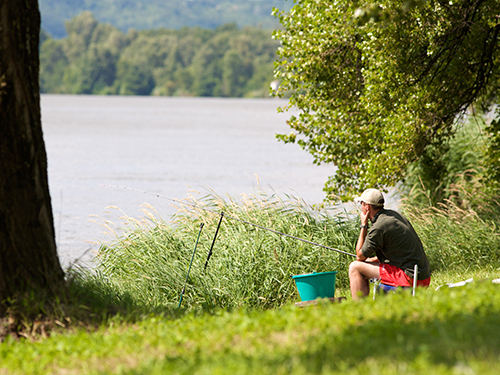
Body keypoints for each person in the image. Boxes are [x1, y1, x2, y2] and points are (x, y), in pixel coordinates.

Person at [349, 188, 431, 299]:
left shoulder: (379, 226)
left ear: (367, 207)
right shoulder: (393, 215)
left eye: (361, 204)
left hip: (409, 279)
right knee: (365, 263)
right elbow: (398, 252)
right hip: (422, 276)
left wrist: (363, 225)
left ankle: (359, 311)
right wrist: (372, 260)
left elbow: (359, 256)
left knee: (355, 267)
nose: (361, 207)